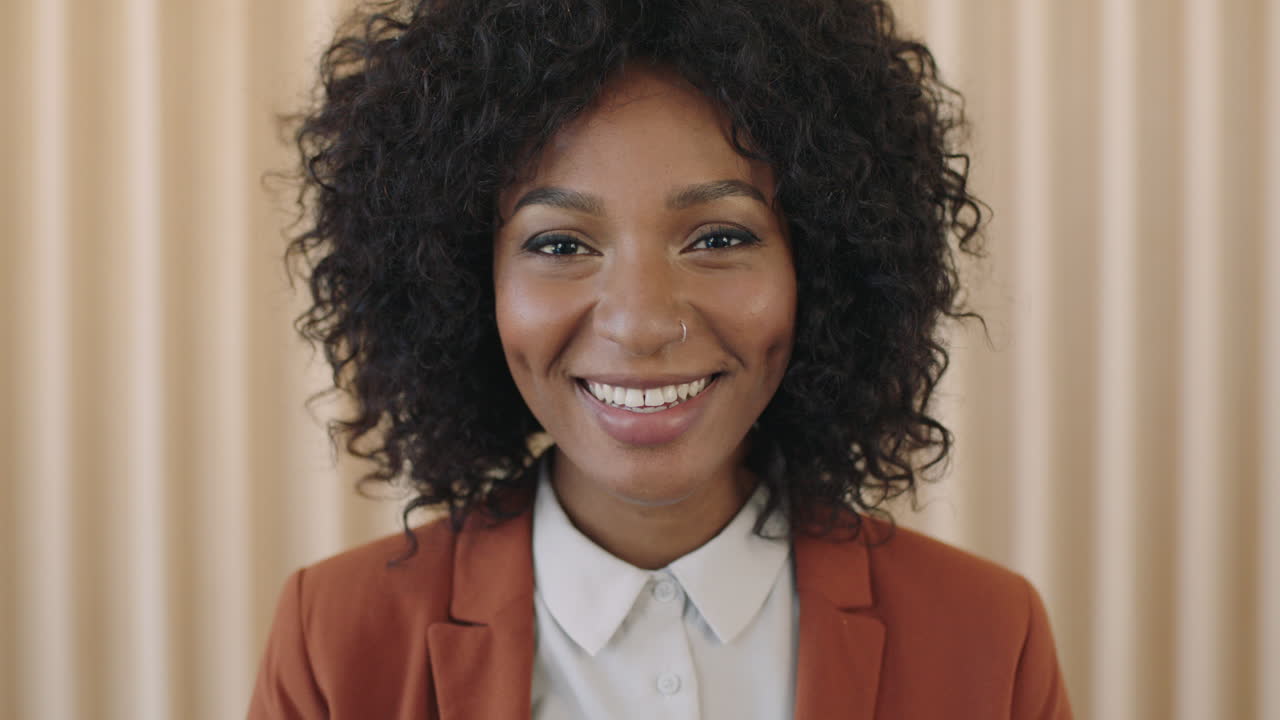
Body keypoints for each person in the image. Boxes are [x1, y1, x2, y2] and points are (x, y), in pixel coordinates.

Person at [249, 0, 1073, 718]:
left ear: (819, 269)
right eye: (560, 242)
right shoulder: (334, 641)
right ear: (469, 284)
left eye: (719, 237)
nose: (641, 323)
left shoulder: (989, 638)